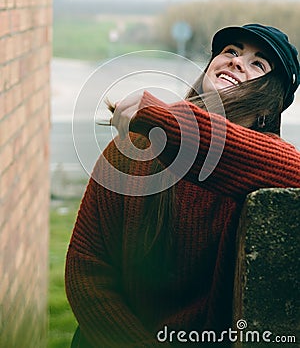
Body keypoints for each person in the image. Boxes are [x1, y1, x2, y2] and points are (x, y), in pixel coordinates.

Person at [65, 23, 300, 348]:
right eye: (230, 51)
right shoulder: (135, 145)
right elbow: (87, 264)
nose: (236, 61)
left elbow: (295, 172)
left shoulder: (265, 166)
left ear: (271, 101)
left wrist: (169, 123)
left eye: (258, 64)